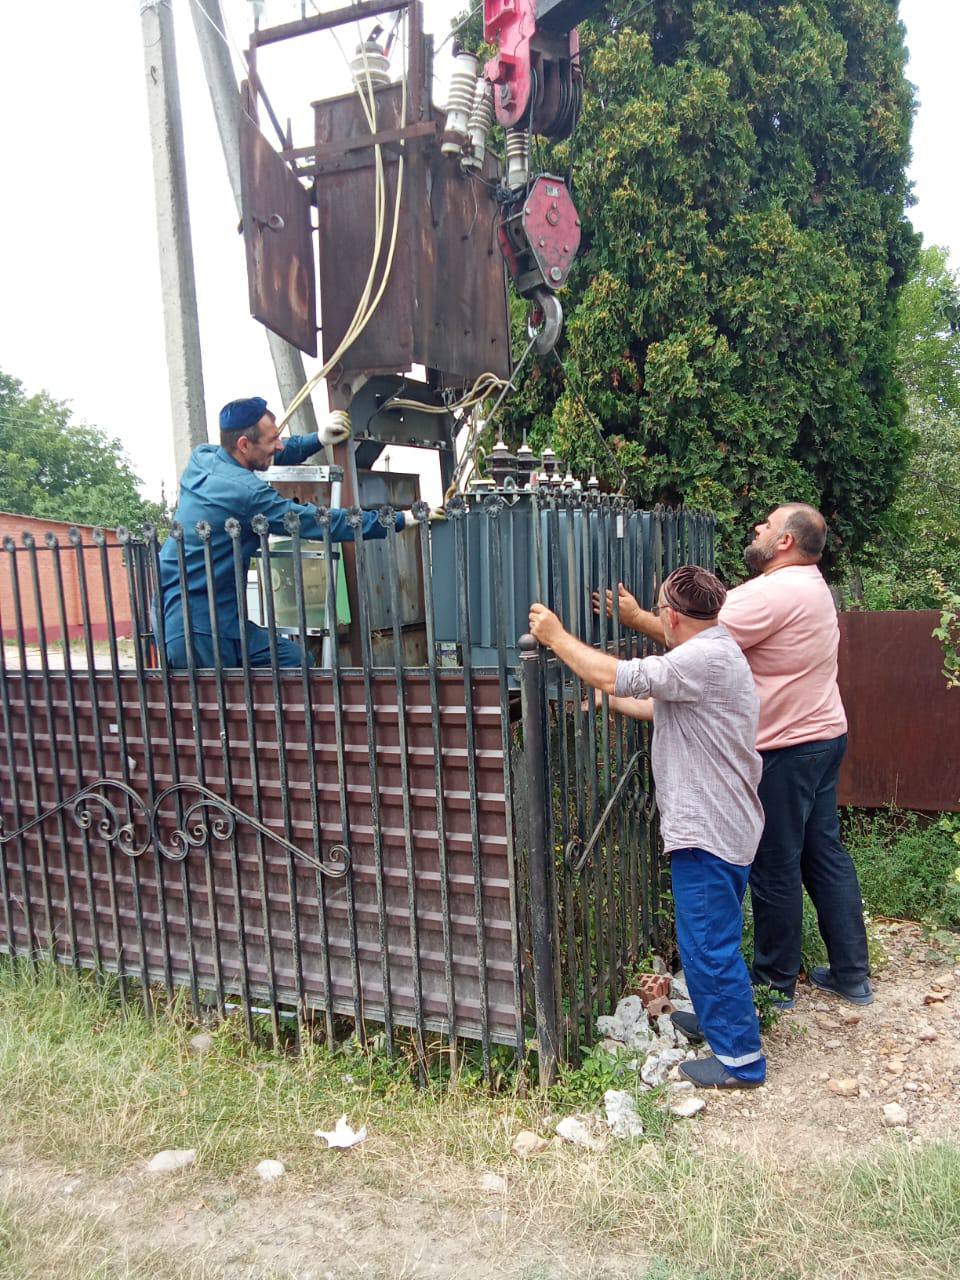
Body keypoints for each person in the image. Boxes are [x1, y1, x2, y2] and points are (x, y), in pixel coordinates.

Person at [600, 504, 872, 1007]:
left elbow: (701, 636)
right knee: (825, 855)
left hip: (785, 747)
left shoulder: (774, 592)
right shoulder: (814, 585)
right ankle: (851, 973)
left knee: (775, 865)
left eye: (767, 524)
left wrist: (638, 617)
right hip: (825, 736)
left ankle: (773, 985)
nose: (757, 528)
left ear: (786, 541)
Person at [530, 565, 766, 1090]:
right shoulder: (719, 648)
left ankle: (741, 1060)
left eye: (658, 609)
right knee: (708, 935)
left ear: (671, 616)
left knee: (708, 944)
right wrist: (608, 703)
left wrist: (556, 636)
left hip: (709, 830)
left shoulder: (698, 658)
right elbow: (667, 708)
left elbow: (619, 674)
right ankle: (714, 1019)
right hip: (728, 822)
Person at [157, 396, 417, 669]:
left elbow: (267, 456)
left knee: (295, 660)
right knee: (222, 708)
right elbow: (320, 522)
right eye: (272, 440)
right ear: (243, 444)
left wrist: (318, 438)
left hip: (223, 619)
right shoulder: (247, 493)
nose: (279, 445)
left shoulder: (203, 458)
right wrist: (398, 519)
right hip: (197, 631)